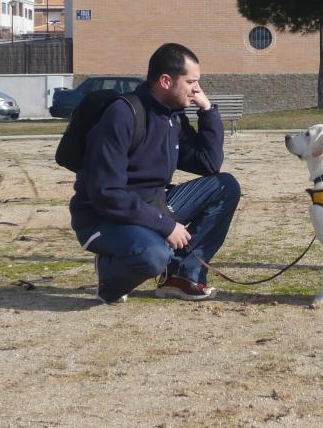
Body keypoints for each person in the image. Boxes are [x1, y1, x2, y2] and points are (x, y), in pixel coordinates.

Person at [69, 43, 241, 303]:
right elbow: (107, 193)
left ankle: (182, 276)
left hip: (151, 204)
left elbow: (209, 164)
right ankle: (109, 276)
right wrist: (166, 226)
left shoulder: (171, 116)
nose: (197, 88)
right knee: (154, 254)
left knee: (224, 186)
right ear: (165, 81)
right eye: (191, 81)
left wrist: (207, 112)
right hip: (103, 217)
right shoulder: (123, 114)